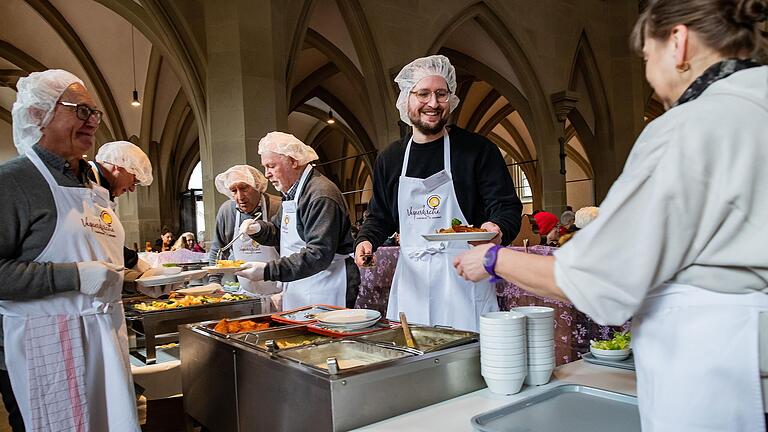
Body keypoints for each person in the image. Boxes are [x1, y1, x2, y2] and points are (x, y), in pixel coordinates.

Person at [454, 1, 768, 429]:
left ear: (678, 43)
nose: (649, 77)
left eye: (646, 57)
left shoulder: (692, 126)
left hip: (723, 365)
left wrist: (493, 259)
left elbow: (600, 277)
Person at [0, 69, 139, 430]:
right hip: (47, 344)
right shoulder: (12, 182)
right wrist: (75, 276)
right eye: (80, 111)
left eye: (95, 113)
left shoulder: (92, 182)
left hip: (106, 335)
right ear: (37, 114)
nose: (93, 121)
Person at [353, 55, 522, 332]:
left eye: (441, 94)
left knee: (467, 364)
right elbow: (380, 215)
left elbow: (506, 207)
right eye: (423, 93)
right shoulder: (391, 158)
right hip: (412, 285)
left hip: (465, 280)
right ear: (406, 99)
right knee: (413, 360)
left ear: (450, 98)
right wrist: (366, 240)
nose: (433, 103)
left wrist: (498, 227)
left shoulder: (477, 150)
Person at [235, 132, 360, 310]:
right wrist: (259, 229)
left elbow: (318, 254)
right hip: (304, 282)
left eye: (271, 166)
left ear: (294, 161)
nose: (267, 174)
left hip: (328, 282)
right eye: (265, 167)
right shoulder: (293, 192)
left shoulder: (320, 195)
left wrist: (268, 271)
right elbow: (280, 232)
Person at [208, 165, 281, 298]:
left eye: (244, 188)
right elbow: (218, 248)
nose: (240, 196)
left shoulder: (277, 206)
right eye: (233, 191)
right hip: (246, 293)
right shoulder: (227, 211)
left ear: (257, 186)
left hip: (280, 292)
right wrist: (214, 281)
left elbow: (292, 249)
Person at [89, 140, 153, 271]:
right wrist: (134, 263)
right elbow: (95, 238)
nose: (132, 189)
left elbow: (108, 241)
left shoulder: (104, 189)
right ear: (119, 165)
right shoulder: (83, 181)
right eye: (134, 180)